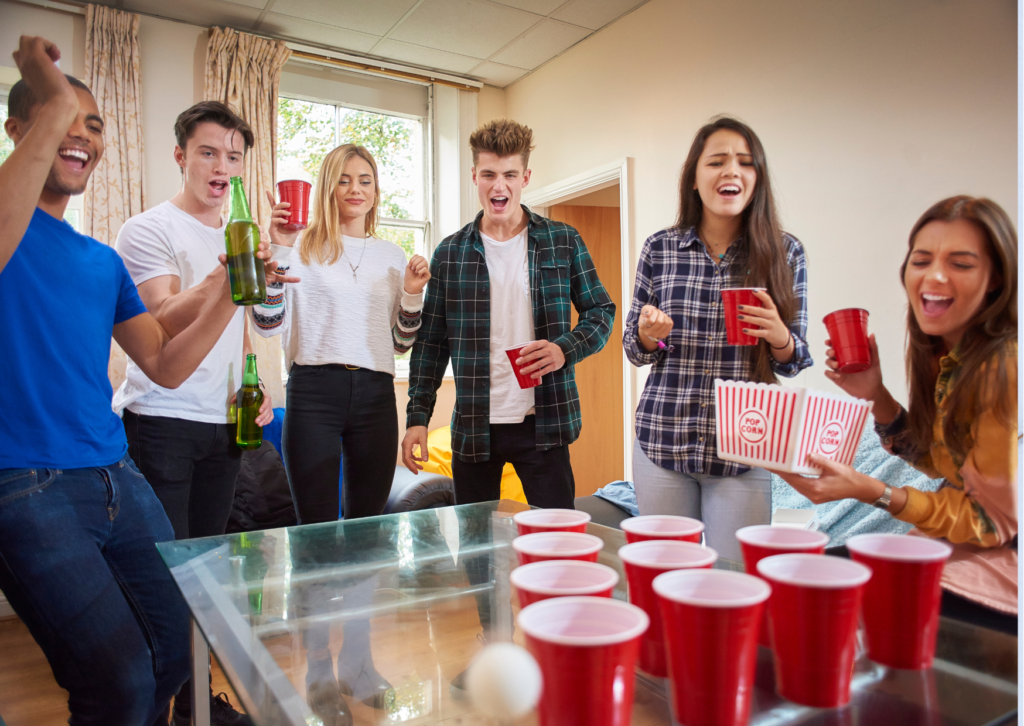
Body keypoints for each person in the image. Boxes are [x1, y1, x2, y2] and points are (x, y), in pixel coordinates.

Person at [0, 36, 258, 725]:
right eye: (61, 118)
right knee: (116, 679)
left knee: (175, 650)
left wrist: (233, 288)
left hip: (115, 473)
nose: (80, 133)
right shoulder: (5, 229)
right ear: (18, 129)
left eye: (93, 124)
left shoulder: (100, 260)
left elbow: (166, 365)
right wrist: (49, 88)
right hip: (24, 485)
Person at [112, 100, 293, 726]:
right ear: (181, 157)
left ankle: (196, 707)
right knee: (163, 581)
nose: (221, 166)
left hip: (223, 424)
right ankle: (153, 708)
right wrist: (224, 278)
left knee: (205, 576)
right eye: (209, 152)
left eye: (234, 156)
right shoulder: (147, 229)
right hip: (160, 420)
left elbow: (246, 328)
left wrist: (255, 382)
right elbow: (157, 321)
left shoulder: (237, 232)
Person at [774, 196, 1017, 634]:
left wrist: (872, 491)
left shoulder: (1002, 366)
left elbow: (988, 522)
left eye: (961, 263)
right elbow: (944, 463)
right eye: (922, 259)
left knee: (821, 609)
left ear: (996, 279)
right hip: (953, 545)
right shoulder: (946, 354)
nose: (935, 275)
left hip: (997, 564)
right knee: (790, 580)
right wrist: (876, 395)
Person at [252, 143, 429, 724]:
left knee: (367, 537)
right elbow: (268, 321)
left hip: (377, 394)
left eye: (366, 180)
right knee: (318, 539)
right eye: (345, 179)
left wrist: (410, 292)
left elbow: (402, 342)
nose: (356, 189)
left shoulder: (389, 253)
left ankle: (358, 662)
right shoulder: (300, 245)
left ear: (376, 191)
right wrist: (275, 252)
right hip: (314, 393)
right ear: (328, 187)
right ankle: (320, 672)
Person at [623, 116, 812, 563]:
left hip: (745, 447)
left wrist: (780, 335)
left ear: (757, 179)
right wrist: (649, 336)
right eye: (717, 161)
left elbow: (795, 359)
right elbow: (633, 347)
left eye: (745, 163)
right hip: (663, 437)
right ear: (694, 177)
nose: (732, 171)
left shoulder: (786, 253)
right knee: (664, 577)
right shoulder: (660, 248)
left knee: (734, 584)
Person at [401, 118, 615, 508]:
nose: (499, 186)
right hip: (474, 426)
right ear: (475, 176)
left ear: (525, 177)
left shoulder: (562, 240)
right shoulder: (450, 253)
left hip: (544, 422)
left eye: (509, 174)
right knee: (476, 551)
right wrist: (417, 417)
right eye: (489, 174)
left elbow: (601, 312)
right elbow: (431, 345)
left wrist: (564, 349)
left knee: (558, 543)